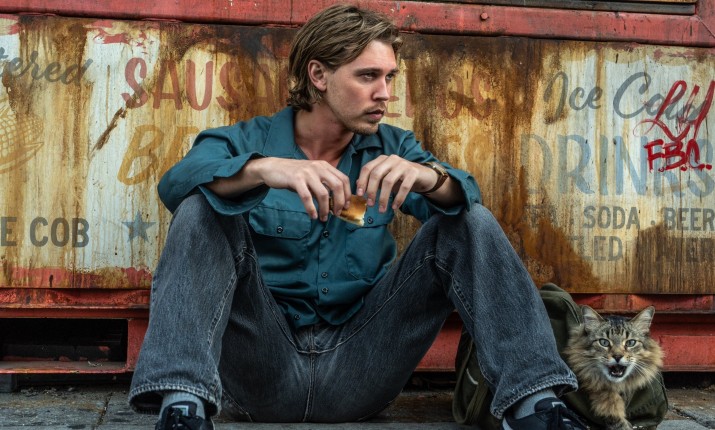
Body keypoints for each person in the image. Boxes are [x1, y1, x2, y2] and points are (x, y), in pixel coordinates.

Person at [129, 4, 587, 430]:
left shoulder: (393, 147)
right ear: (319, 75)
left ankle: (535, 408)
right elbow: (176, 184)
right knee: (201, 207)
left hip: (362, 364)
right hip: (262, 366)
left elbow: (465, 202)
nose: (384, 93)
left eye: (389, 77)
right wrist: (265, 170)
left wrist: (427, 176)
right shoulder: (246, 141)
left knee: (470, 221)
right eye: (368, 76)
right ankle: (182, 409)